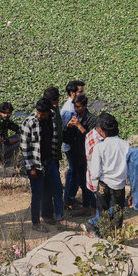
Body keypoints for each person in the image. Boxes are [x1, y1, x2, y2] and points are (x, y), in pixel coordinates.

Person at [21, 97, 64, 232]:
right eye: (38, 113)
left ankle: (59, 217)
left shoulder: (52, 119)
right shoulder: (29, 122)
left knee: (57, 189)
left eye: (43, 114)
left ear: (48, 112)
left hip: (50, 161)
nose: (40, 115)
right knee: (37, 194)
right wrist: (30, 168)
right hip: (36, 165)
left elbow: (55, 139)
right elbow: (24, 147)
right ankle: (35, 222)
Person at [88, 115, 131, 235]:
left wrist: (95, 182)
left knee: (103, 214)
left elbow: (95, 172)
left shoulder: (100, 147)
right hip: (119, 185)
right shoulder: (125, 145)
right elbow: (128, 167)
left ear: (102, 130)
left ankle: (105, 237)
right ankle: (117, 237)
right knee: (118, 213)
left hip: (104, 184)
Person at [63, 94, 98, 215]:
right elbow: (66, 139)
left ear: (85, 106)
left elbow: (92, 139)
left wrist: (79, 126)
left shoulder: (92, 119)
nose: (76, 109)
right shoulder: (74, 118)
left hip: (88, 157)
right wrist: (68, 128)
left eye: (78, 107)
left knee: (91, 184)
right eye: (75, 107)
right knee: (82, 183)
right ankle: (85, 207)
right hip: (77, 155)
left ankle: (94, 209)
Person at [60, 81, 85, 211]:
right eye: (80, 91)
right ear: (72, 93)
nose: (83, 93)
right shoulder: (68, 110)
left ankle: (69, 198)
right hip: (70, 145)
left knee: (73, 171)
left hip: (74, 145)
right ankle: (69, 200)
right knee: (74, 172)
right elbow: (64, 130)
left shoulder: (73, 106)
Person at [0, 102, 21, 169]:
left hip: (1, 145)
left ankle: (7, 157)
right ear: (0, 112)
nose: (6, 115)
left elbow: (16, 128)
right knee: (22, 142)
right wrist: (20, 139)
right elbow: (6, 141)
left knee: (21, 134)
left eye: (8, 113)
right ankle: (4, 159)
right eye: (4, 113)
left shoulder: (6, 120)